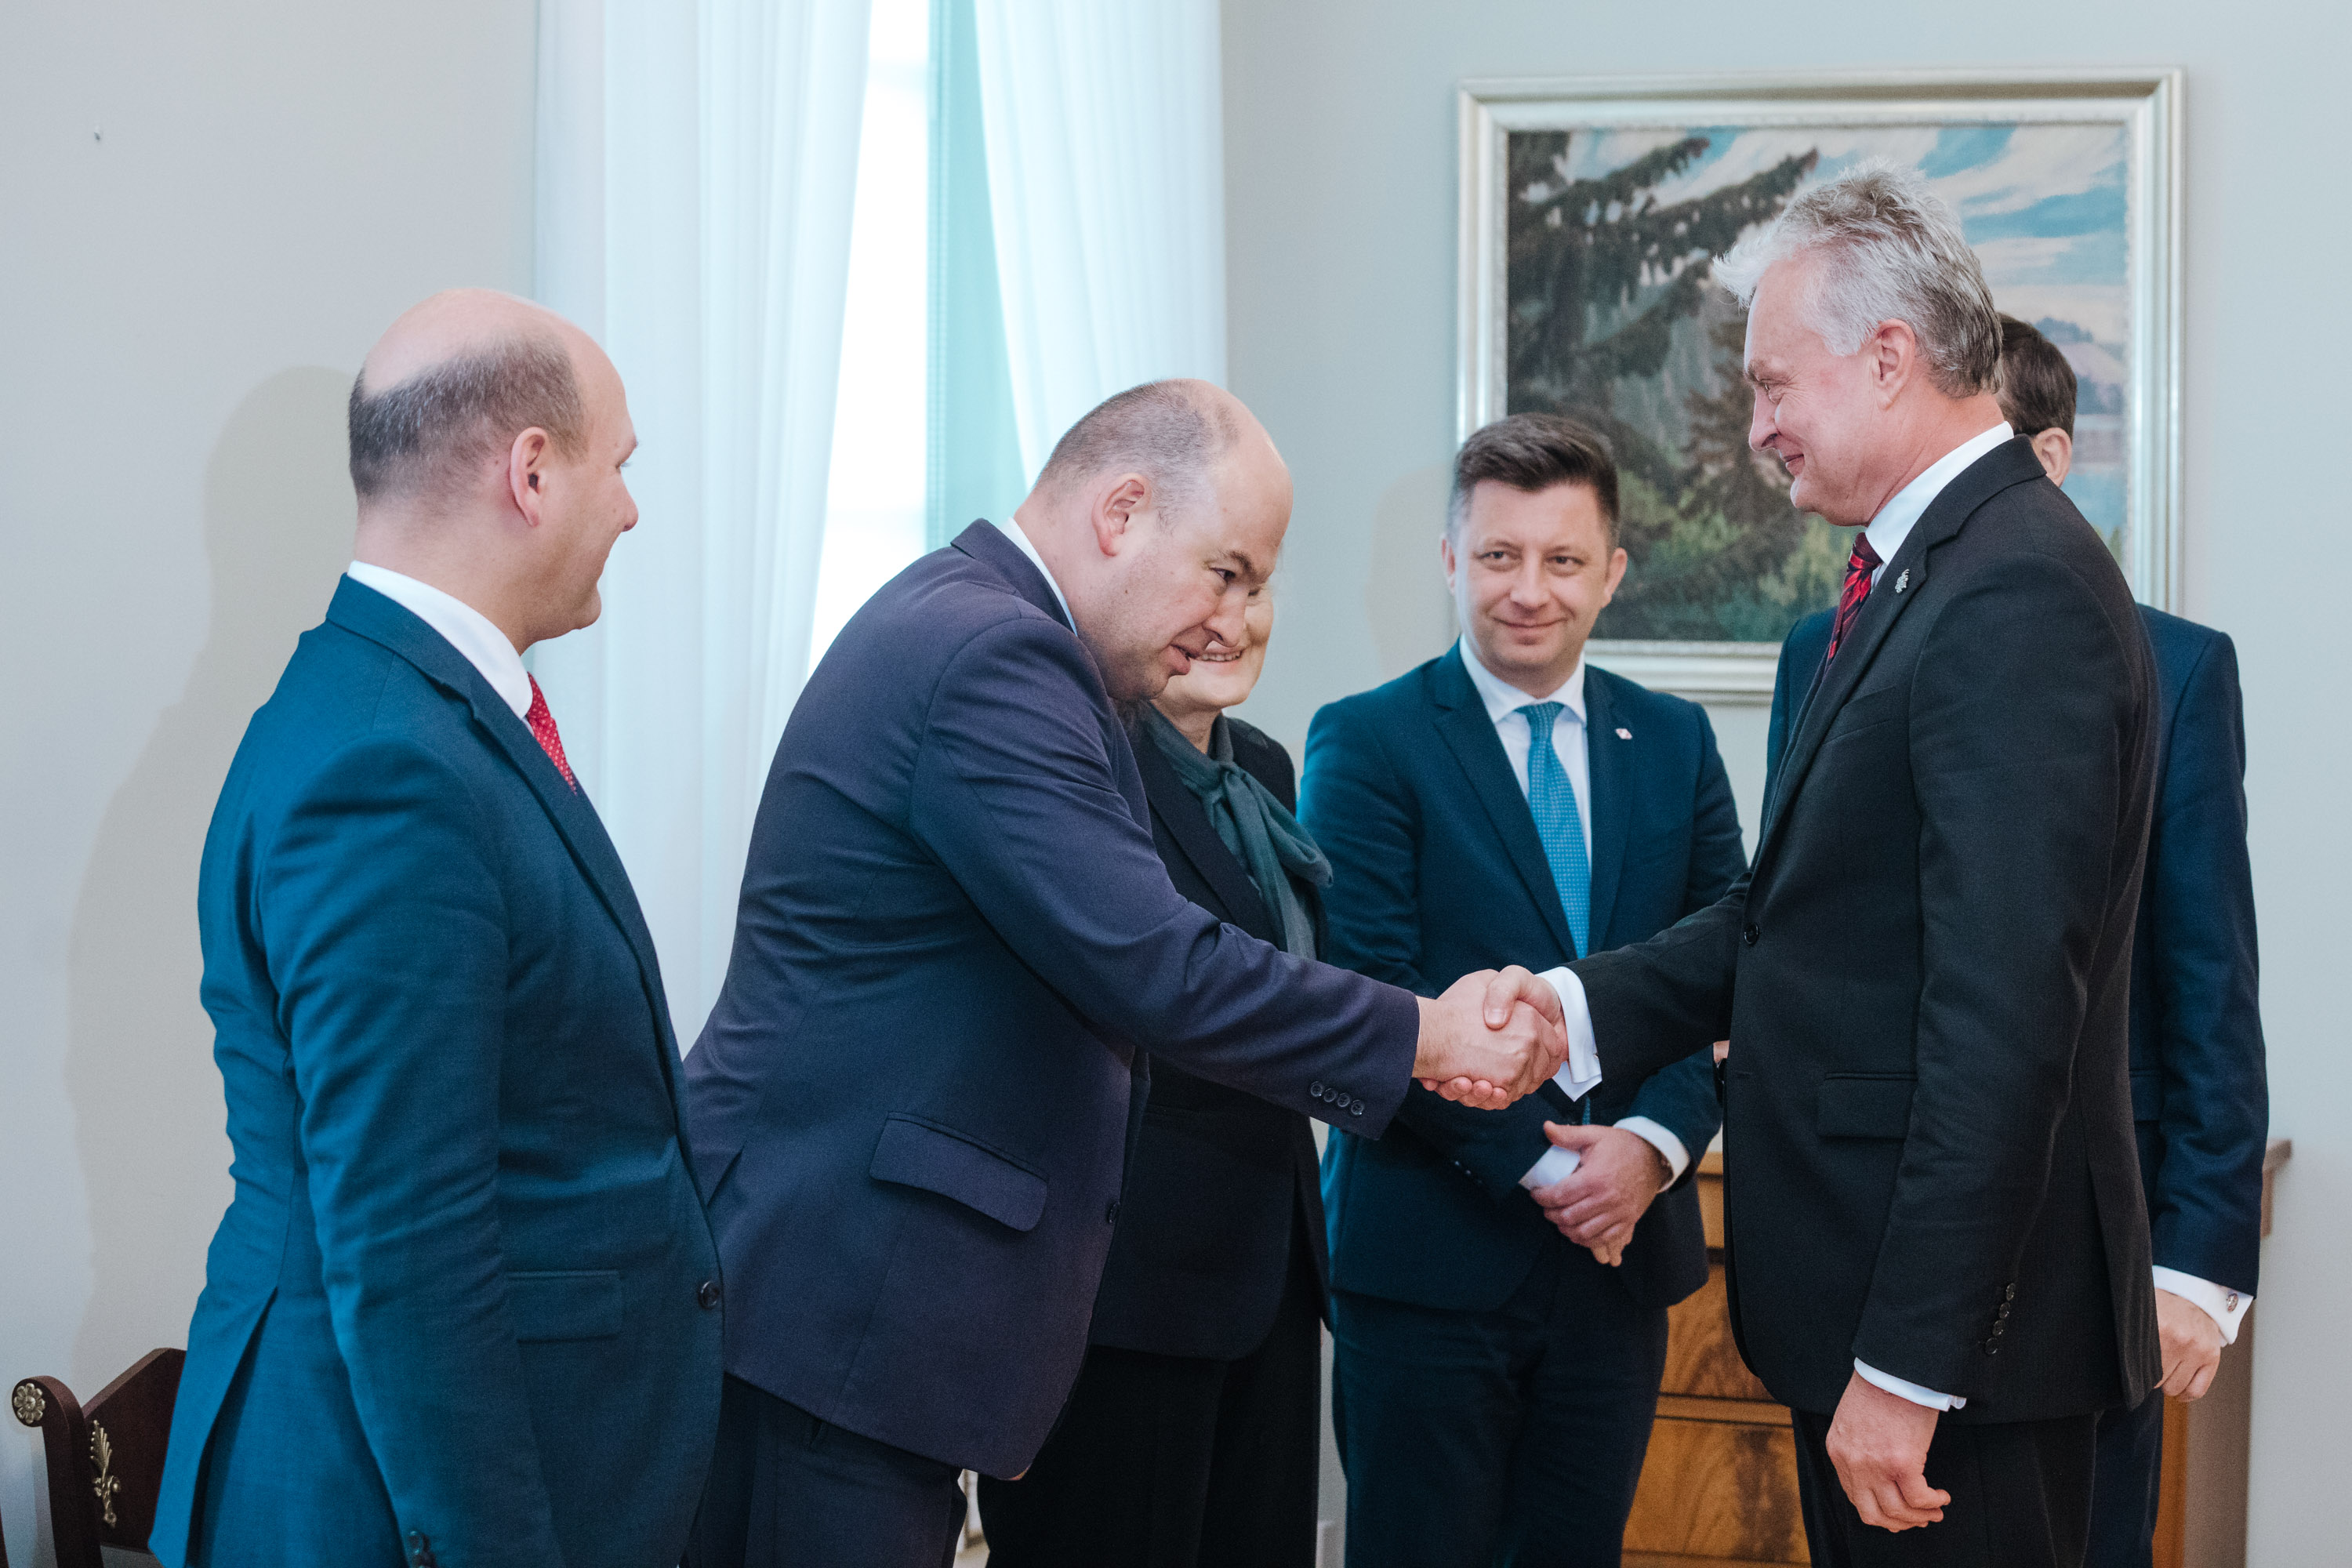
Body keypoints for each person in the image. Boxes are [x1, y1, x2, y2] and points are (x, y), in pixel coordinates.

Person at [683, 379, 1570, 1568]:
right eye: (1226, 571)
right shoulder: (998, 655)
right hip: (837, 1295)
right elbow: (1158, 965)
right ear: (1122, 512)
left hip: (859, 1299)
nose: (1234, 617)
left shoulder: (997, 632)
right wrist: (1430, 1033)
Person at [1547, 164, 2161, 1568]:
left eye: (1774, 384)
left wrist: (1909, 1366)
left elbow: (2006, 1016)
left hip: (1953, 1363)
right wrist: (1571, 1010)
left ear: (1889, 359)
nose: (1758, 426)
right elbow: (1800, 917)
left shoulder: (2012, 588)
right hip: (1887, 1318)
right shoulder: (1927, 573)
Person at [150, 291, 723, 1568]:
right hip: (385, 1500)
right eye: (620, 466)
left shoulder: (399, 707)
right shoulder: (389, 766)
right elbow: (409, 1242)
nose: (631, 510)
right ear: (534, 472)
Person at [1765, 317, 2269, 1568]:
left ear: (2040, 459)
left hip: (2091, 1258)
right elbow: (1795, 914)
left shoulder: (2175, 665)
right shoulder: (1822, 645)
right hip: (1874, 1233)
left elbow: (2208, 974)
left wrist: (2194, 1270)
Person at [1300, 414, 1746, 1568]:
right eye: (1499, 555)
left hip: (1619, 1264)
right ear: (1452, 560)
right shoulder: (1367, 741)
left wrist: (1648, 1151)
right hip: (1428, 1260)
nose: (1530, 590)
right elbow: (1367, 995)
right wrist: (1555, 1172)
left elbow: (1732, 973)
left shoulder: (1677, 741)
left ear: (1613, 573)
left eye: (1563, 559)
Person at [980, 585, 1328, 1566]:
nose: (1231, 620)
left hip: (1269, 1267)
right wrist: (1421, 1039)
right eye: (1208, 582)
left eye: (1256, 588)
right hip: (1122, 1285)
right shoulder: (1077, 758)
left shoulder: (1262, 766)